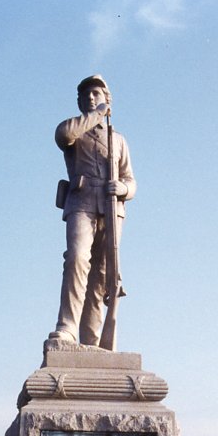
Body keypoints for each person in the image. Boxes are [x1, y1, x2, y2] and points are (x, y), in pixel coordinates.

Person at [48, 75, 136, 346]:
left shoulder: (119, 140)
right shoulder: (73, 129)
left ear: (108, 99)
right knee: (76, 259)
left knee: (101, 277)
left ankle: (91, 341)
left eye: (97, 94)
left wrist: (121, 188)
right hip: (81, 202)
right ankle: (67, 328)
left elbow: (131, 180)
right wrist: (97, 115)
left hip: (111, 209)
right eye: (86, 95)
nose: (90, 97)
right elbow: (64, 136)